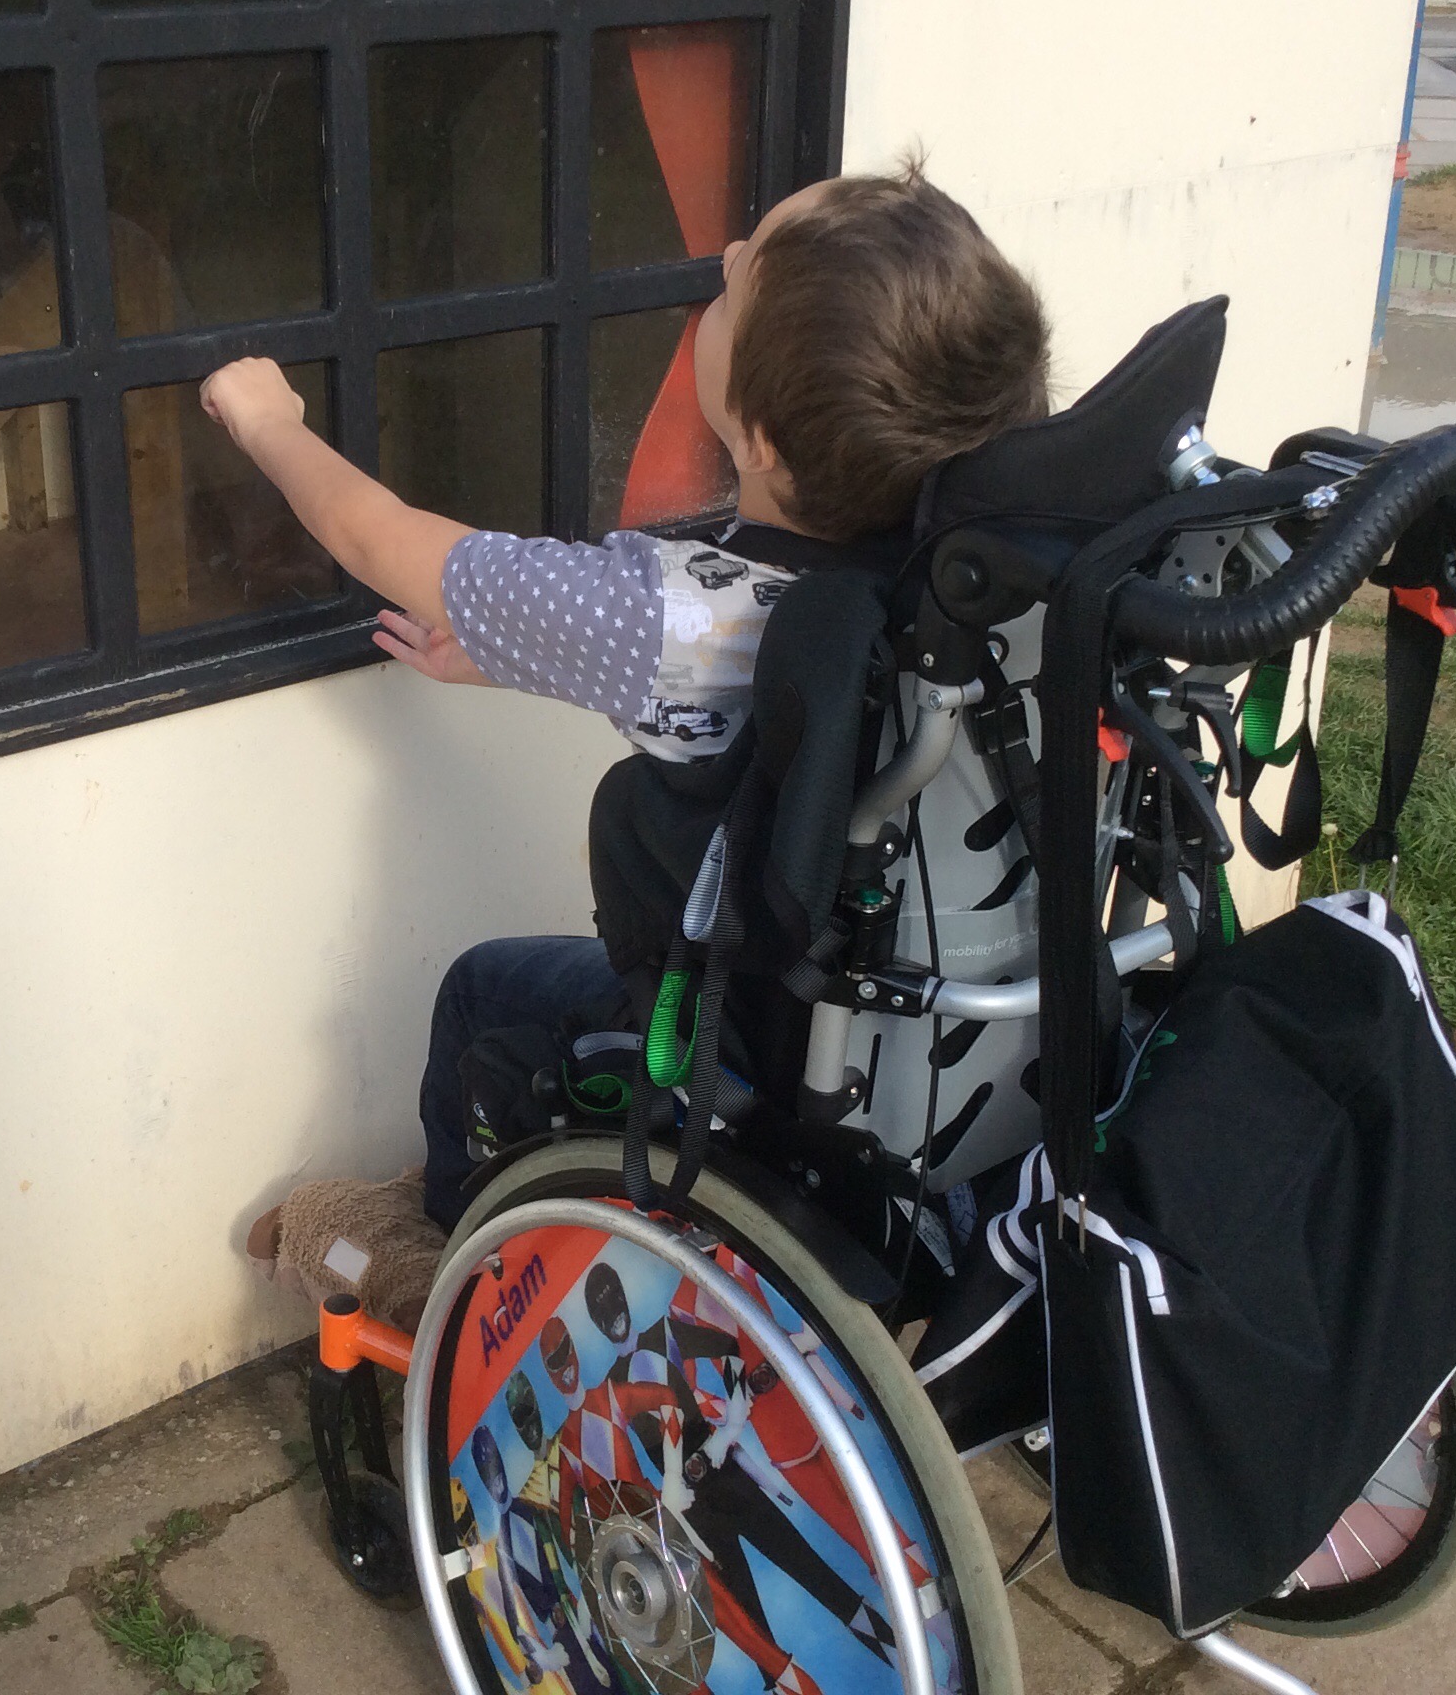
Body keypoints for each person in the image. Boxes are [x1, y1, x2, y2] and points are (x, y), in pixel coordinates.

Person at [199, 162, 1050, 1242]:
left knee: (478, 991)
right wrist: (508, 650)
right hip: (932, 1047)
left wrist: (268, 422)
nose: (725, 255)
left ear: (761, 439)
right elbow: (718, 704)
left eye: (739, 282)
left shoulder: (686, 616)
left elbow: (379, 540)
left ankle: (447, 1255)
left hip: (743, 1053)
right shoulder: (976, 583)